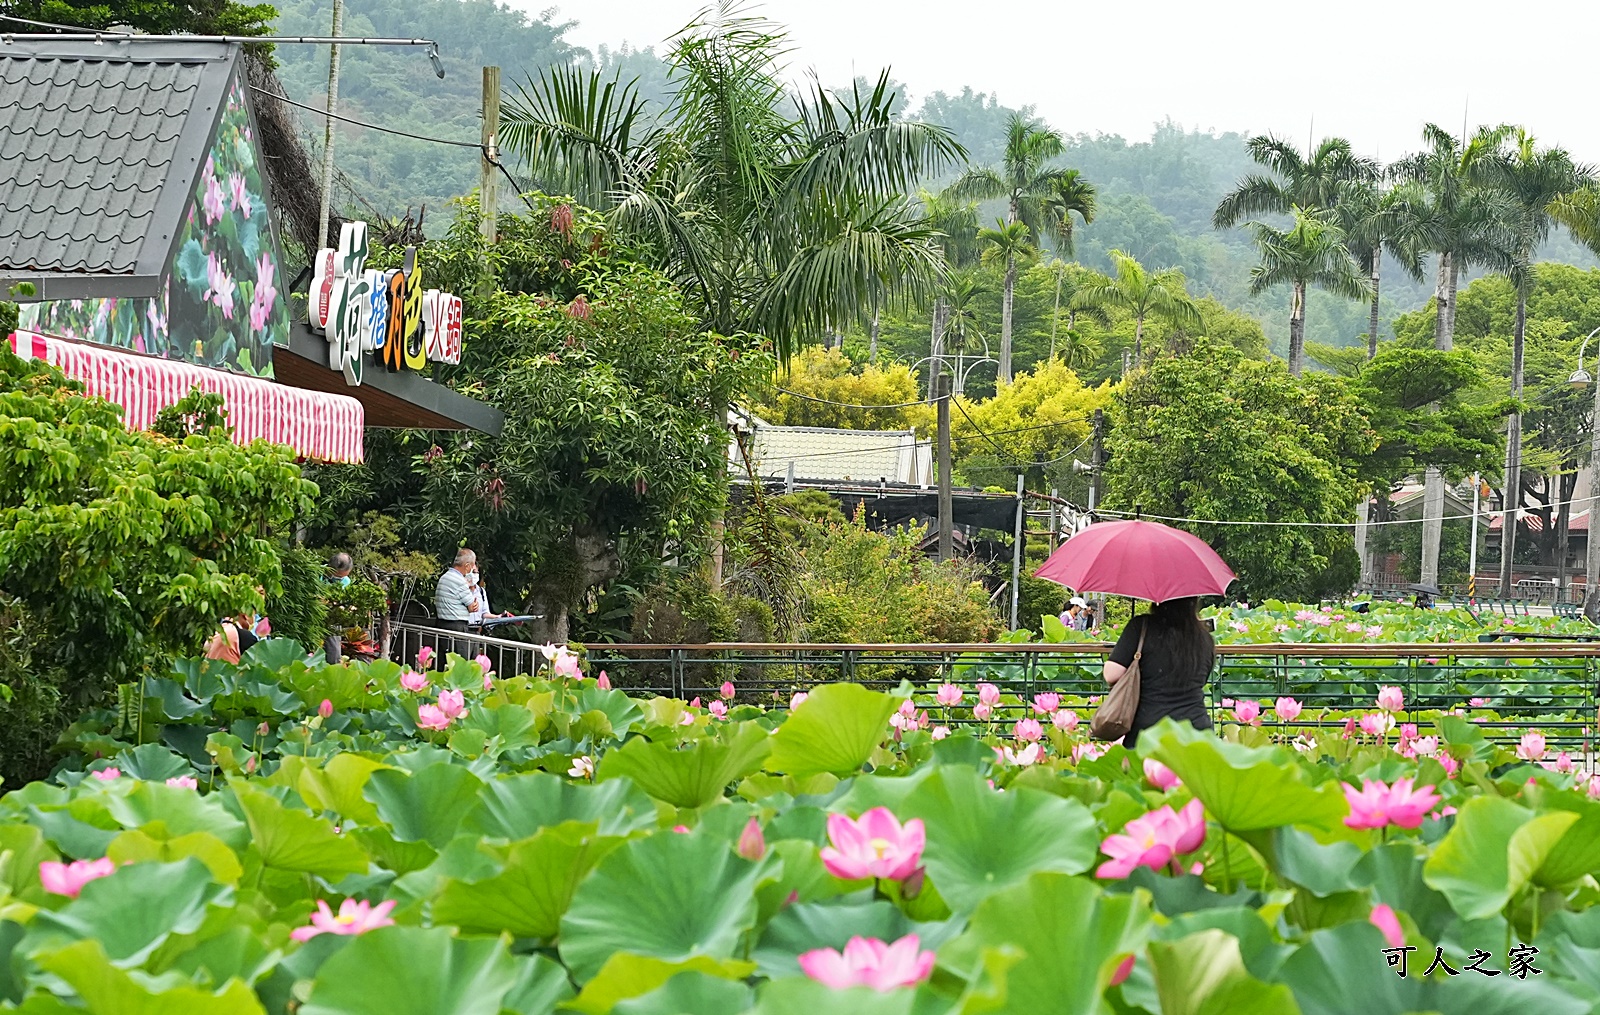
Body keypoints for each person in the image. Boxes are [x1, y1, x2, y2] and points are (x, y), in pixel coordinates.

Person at [1102, 597, 1216, 749]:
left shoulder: (1142, 627)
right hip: (1196, 730)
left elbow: (1111, 674)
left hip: (1148, 732)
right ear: (1193, 602)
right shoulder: (1205, 638)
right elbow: (1201, 680)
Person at [435, 549, 482, 634]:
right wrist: (474, 605)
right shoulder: (460, 581)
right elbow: (472, 607)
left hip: (442, 625)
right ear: (467, 566)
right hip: (456, 628)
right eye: (472, 565)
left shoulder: (444, 577)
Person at [324, 552, 353, 664]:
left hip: (333, 618)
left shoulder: (346, 581)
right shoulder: (316, 573)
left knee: (334, 650)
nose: (340, 579)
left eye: (343, 576)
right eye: (338, 576)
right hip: (313, 615)